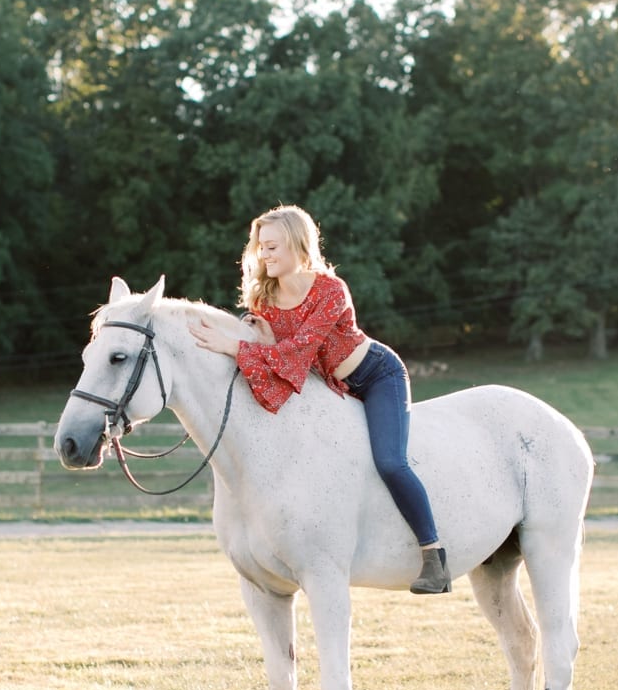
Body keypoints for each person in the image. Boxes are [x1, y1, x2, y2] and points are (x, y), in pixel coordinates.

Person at [188, 205, 450, 594]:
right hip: (329, 387)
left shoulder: (330, 290)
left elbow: (298, 352)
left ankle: (433, 555)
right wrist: (252, 337)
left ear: (298, 245)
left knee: (390, 462)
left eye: (274, 246)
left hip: (375, 376)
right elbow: (278, 356)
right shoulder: (266, 300)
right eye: (261, 247)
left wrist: (233, 347)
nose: (266, 255)